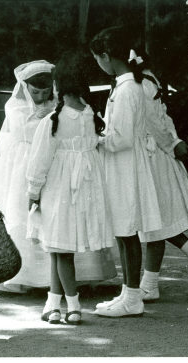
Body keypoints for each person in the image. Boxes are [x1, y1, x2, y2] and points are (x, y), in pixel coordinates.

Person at [0, 60, 116, 293]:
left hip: (56, 164)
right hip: (24, 163)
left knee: (59, 219)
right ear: (26, 88)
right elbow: (23, 130)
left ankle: (72, 280)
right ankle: (28, 277)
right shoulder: (16, 106)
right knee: (28, 219)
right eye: (35, 91)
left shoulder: (58, 107)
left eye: (45, 91)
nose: (40, 95)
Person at [26, 51, 115, 325]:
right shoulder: (89, 115)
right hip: (83, 191)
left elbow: (39, 162)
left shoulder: (52, 121)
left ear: (58, 85)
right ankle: (53, 304)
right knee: (58, 247)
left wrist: (33, 192)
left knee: (61, 252)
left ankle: (73, 306)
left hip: (59, 192)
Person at [90, 26, 164, 317]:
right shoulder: (125, 86)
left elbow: (118, 139)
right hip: (122, 166)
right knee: (124, 233)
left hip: (125, 168)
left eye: (98, 58)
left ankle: (133, 299)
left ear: (107, 56)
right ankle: (127, 293)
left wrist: (93, 137)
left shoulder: (127, 89)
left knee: (127, 232)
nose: (98, 63)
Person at [136, 57, 188, 301]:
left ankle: (150, 284)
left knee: (154, 219)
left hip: (152, 157)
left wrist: (172, 143)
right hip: (146, 154)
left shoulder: (143, 83)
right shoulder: (142, 80)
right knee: (153, 220)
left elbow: (155, 121)